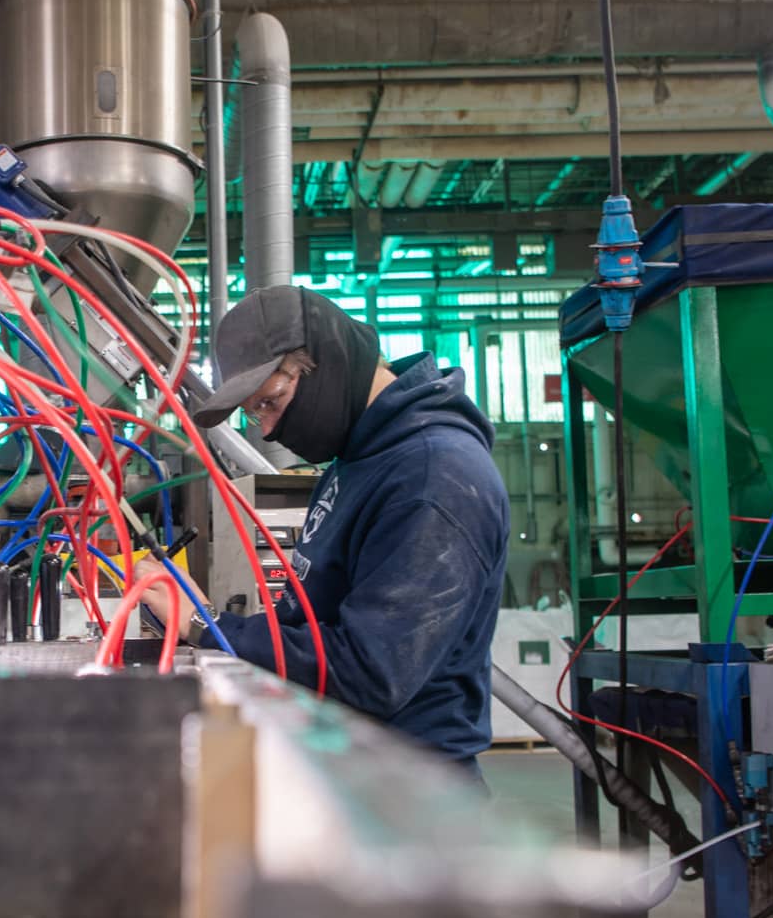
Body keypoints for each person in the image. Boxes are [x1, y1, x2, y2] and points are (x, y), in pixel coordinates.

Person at [140, 285, 510, 778]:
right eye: (255, 413)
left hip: (410, 791)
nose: (268, 431)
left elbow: (371, 673)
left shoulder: (432, 474)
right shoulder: (358, 461)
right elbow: (309, 620)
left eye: (271, 401)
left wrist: (205, 626)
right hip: (353, 764)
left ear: (325, 360)